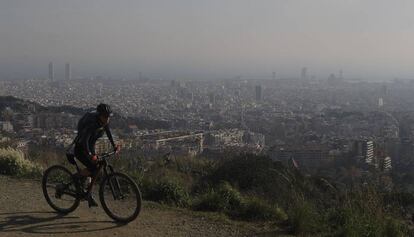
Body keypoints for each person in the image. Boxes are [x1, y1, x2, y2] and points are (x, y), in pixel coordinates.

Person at [73, 103, 120, 207]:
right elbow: (85, 140)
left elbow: (108, 133)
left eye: (109, 117)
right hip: (81, 147)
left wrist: (114, 146)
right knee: (93, 168)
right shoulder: (92, 124)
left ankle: (86, 190)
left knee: (95, 168)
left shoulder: (103, 122)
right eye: (105, 117)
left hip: (90, 144)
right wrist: (90, 155)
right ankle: (77, 177)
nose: (107, 119)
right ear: (100, 116)